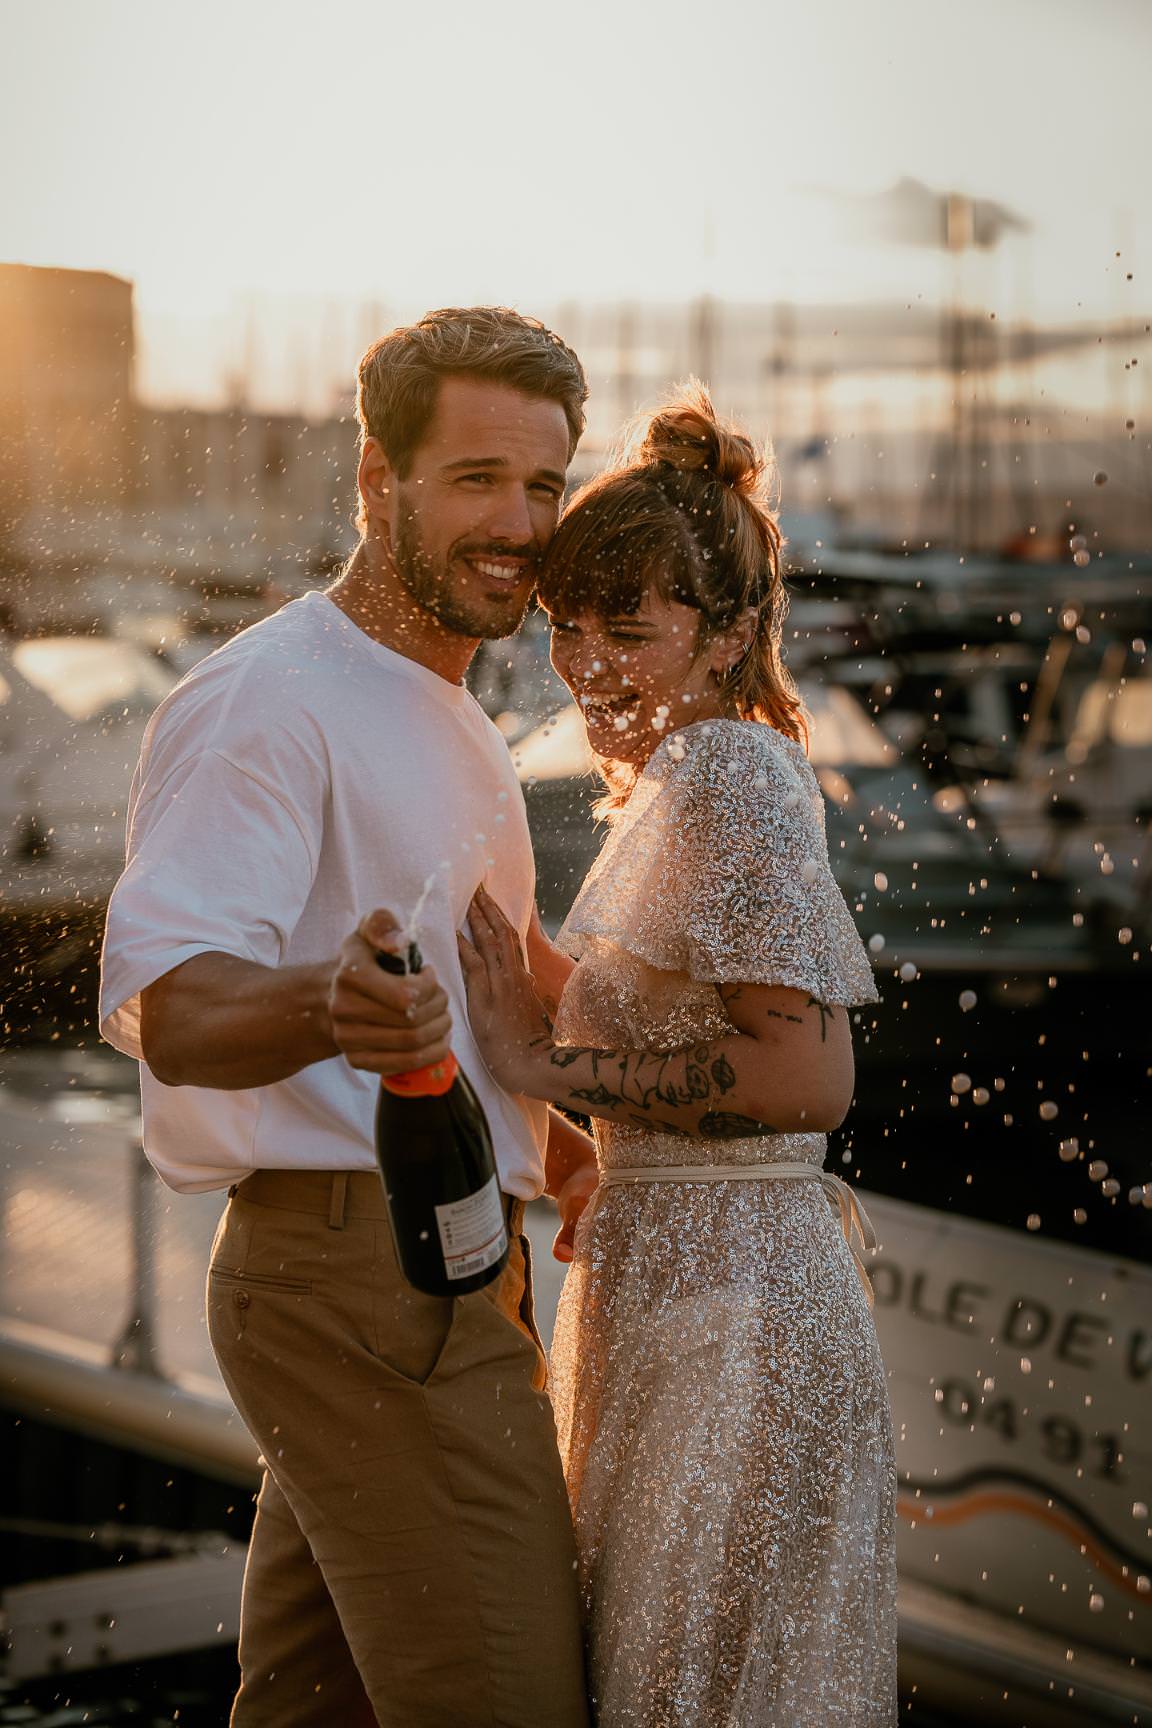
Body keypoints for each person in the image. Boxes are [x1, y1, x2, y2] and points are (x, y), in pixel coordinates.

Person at [99, 307, 596, 1728]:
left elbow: (506, 974)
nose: (519, 523)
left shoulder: (440, 708)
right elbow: (175, 1003)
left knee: (320, 1713)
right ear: (376, 480)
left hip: (428, 1267)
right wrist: (335, 1006)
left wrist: (593, 1121)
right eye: (478, 479)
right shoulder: (270, 698)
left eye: (544, 485)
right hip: (366, 1282)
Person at [458, 387, 898, 1726]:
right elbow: (649, 1005)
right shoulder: (687, 775)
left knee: (690, 1683)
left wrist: (539, 1069)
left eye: (629, 631)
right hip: (687, 1290)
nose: (586, 666)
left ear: (729, 635)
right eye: (567, 630)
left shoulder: (727, 774)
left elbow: (802, 1081)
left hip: (736, 1307)